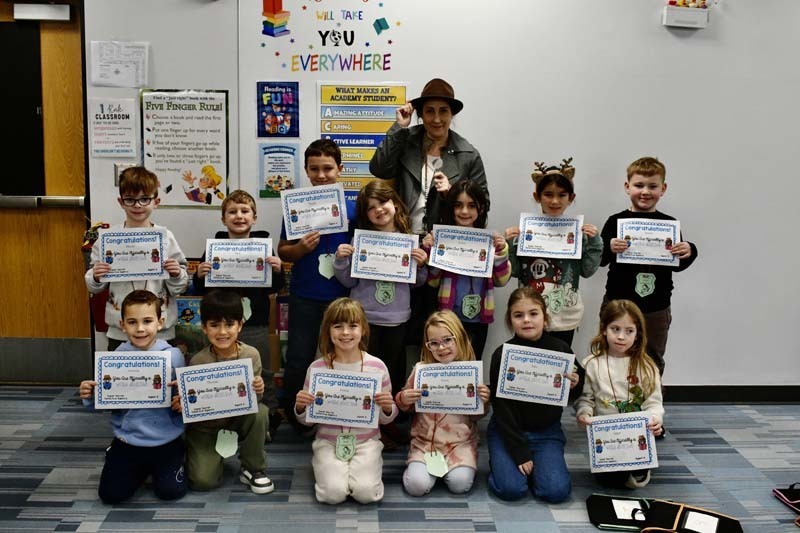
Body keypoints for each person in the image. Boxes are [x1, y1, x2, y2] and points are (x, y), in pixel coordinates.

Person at [369, 77, 487, 347]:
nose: (436, 119)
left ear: (452, 114)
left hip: (443, 249)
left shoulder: (468, 154)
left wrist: (453, 192)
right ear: (420, 114)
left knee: (440, 326)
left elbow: (482, 208)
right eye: (430, 111)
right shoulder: (406, 140)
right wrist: (398, 128)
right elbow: (379, 168)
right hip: (403, 243)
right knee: (400, 326)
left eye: (443, 111)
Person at [78, 290, 186, 504]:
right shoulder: (115, 358)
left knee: (171, 492)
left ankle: (171, 461)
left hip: (166, 440)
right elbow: (103, 403)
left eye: (147, 321)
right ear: (123, 325)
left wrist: (182, 401)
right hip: (128, 440)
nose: (140, 329)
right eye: (132, 322)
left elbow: (182, 399)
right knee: (111, 495)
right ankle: (123, 461)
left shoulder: (173, 356)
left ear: (160, 322)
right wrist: (90, 396)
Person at [278, 139, 357, 431]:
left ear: (340, 169)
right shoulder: (296, 206)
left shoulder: (353, 210)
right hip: (305, 295)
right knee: (299, 355)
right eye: (315, 169)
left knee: (343, 357)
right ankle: (294, 416)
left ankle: (341, 413)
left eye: (328, 168)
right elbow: (282, 250)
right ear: (306, 170)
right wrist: (299, 250)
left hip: (343, 297)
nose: (321, 175)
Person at [193, 189, 284, 439]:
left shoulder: (265, 247)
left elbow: (276, 286)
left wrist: (277, 270)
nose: (239, 216)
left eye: (245, 211)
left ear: (254, 218)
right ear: (223, 219)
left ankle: (268, 415)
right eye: (232, 212)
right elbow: (201, 288)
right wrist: (199, 274)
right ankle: (220, 415)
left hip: (254, 322)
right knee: (218, 369)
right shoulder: (215, 247)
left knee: (261, 370)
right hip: (220, 324)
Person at [294, 298, 398, 504]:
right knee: (332, 495)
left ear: (364, 329)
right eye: (338, 326)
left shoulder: (377, 367)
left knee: (366, 494)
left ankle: (358, 469)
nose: (345, 333)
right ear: (328, 331)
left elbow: (386, 419)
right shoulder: (317, 368)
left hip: (367, 442)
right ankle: (332, 467)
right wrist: (300, 406)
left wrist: (388, 408)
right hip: (328, 442)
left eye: (353, 326)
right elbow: (307, 421)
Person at [600, 156, 698, 375]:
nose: (645, 191)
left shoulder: (669, 224)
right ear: (627, 187)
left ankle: (650, 404)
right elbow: (599, 260)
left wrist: (689, 250)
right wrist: (608, 247)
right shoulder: (615, 221)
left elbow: (677, 265)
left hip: (656, 306)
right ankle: (611, 403)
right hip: (618, 303)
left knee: (652, 357)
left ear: (663, 189)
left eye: (652, 186)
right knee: (613, 354)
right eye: (639, 185)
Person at [334, 180, 428, 396]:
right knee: (364, 370)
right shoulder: (359, 242)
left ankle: (391, 417)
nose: (378, 210)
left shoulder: (409, 241)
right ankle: (364, 417)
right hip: (364, 318)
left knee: (393, 370)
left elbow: (416, 283)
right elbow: (348, 282)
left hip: (397, 318)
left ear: (395, 203)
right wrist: (341, 260)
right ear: (364, 214)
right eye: (370, 207)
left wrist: (422, 265)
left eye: (383, 202)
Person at [487, 287, 580, 503]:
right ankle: (507, 466)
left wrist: (577, 381)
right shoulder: (502, 354)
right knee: (511, 490)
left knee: (555, 492)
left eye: (533, 313)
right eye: (518, 315)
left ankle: (535, 469)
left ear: (544, 317)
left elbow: (580, 380)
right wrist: (518, 450)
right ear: (510, 320)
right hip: (507, 430)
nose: (526, 320)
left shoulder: (561, 350)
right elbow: (501, 408)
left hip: (546, 432)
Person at [85, 167, 189, 350]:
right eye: (130, 200)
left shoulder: (165, 238)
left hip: (160, 330)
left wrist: (176, 274)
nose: (137, 205)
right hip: (121, 331)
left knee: (163, 376)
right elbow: (93, 285)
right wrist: (95, 276)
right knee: (122, 378)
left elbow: (180, 286)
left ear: (156, 201)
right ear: (121, 202)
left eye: (144, 199)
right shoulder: (107, 240)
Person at [180, 290, 273, 494]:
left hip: (238, 419)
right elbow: (195, 408)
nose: (222, 332)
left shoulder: (251, 355)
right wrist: (186, 402)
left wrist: (258, 390)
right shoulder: (198, 361)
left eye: (229, 324)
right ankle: (203, 456)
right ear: (204, 327)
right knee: (203, 482)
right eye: (214, 325)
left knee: (260, 412)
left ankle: (253, 467)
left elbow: (252, 401)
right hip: (207, 428)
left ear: (240, 325)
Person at [505, 158, 602, 347]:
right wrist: (509, 246)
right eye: (548, 194)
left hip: (565, 316)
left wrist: (594, 242)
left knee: (559, 364)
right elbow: (514, 271)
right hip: (529, 314)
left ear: (571, 198)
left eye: (562, 194)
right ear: (537, 196)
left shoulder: (578, 235)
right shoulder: (525, 233)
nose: (555, 201)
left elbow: (587, 270)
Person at [395, 310, 490, 496]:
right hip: (425, 445)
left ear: (460, 339)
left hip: (459, 444)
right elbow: (404, 405)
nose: (441, 348)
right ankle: (425, 472)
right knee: (416, 486)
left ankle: (449, 471)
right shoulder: (421, 371)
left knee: (459, 485)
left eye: (448, 340)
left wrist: (484, 402)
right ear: (427, 345)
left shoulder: (471, 373)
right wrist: (404, 398)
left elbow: (477, 416)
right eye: (434, 343)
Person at [575, 299, 664, 489]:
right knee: (608, 482)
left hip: (637, 435)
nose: (621, 337)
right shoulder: (592, 364)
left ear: (638, 334)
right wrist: (584, 414)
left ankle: (639, 465)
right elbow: (586, 399)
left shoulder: (647, 366)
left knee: (631, 475)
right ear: (604, 329)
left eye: (629, 331)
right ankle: (627, 470)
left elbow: (654, 403)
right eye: (615, 329)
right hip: (608, 438)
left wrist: (656, 419)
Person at [424, 180, 510, 359]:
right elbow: (432, 282)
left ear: (481, 209)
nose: (464, 211)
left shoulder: (491, 241)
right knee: (446, 363)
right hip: (449, 317)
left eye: (471, 206)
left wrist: (501, 252)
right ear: (451, 208)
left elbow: (501, 281)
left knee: (473, 362)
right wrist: (429, 251)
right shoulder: (441, 239)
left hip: (479, 318)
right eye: (458, 205)